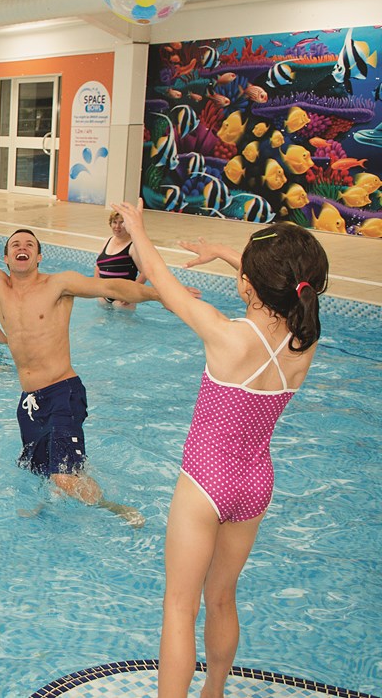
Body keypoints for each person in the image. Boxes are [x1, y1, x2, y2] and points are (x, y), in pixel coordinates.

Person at [111, 202, 329, 698]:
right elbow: (286, 286)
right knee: (222, 597)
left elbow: (163, 284)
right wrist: (230, 255)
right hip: (255, 485)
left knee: (179, 606)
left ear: (250, 285)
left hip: (207, 482)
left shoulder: (227, 335)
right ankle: (214, 691)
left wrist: (140, 230)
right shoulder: (305, 340)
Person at [0, 172, 168, 526]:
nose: (21, 247)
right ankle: (62, 495)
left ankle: (116, 511)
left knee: (63, 476)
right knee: (38, 472)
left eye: (29, 243)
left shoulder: (60, 284)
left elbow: (118, 288)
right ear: (6, 258)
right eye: (14, 245)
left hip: (62, 391)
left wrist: (162, 294)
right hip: (28, 403)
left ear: (40, 256)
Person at [94, 210, 147, 308]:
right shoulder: (108, 241)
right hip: (104, 295)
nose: (117, 227)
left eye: (122, 223)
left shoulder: (133, 246)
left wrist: (130, 294)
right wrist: (97, 287)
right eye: (114, 222)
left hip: (123, 299)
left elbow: (145, 272)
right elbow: (99, 266)